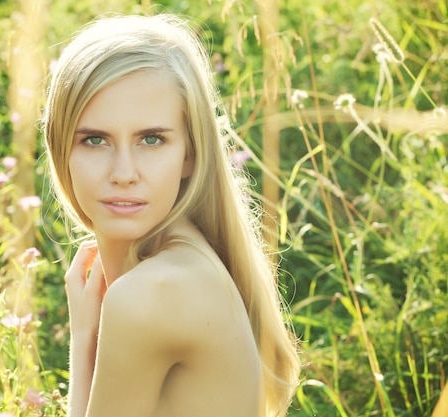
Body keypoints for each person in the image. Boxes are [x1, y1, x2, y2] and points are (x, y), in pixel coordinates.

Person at [42, 13, 301, 417]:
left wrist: (83, 341)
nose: (124, 174)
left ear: (189, 153)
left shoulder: (151, 294)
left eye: (151, 139)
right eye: (95, 140)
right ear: (62, 151)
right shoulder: (190, 260)